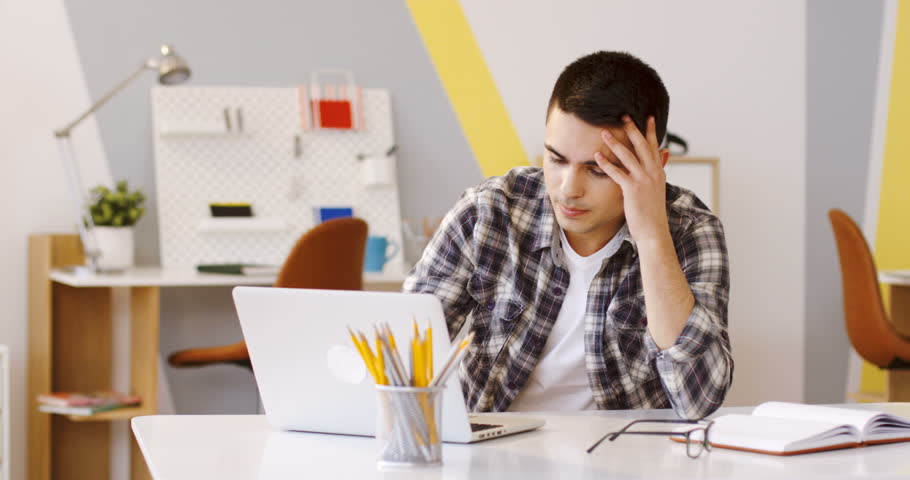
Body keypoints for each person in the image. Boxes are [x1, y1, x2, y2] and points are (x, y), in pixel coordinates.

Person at [403, 51, 732, 420]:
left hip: (628, 456)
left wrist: (652, 236)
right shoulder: (490, 210)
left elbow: (698, 399)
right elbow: (403, 357)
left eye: (598, 170)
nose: (568, 189)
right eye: (556, 160)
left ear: (655, 166)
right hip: (493, 448)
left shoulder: (690, 230)